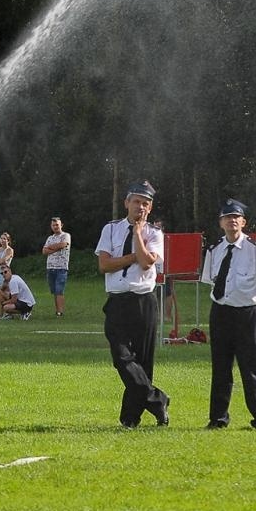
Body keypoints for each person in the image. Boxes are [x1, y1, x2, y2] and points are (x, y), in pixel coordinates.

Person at [95, 181, 169, 428]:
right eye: (136, 201)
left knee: (143, 362)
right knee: (122, 357)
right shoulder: (111, 229)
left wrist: (138, 234)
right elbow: (104, 265)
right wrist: (133, 257)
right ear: (126, 202)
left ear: (150, 207)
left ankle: (130, 418)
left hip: (143, 301)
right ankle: (158, 400)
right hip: (117, 301)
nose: (140, 207)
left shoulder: (155, 234)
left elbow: (148, 264)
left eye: (145, 203)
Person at [201, 199, 256, 430]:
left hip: (247, 314)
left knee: (252, 368)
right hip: (220, 313)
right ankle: (217, 419)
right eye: (227, 217)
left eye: (236, 217)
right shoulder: (214, 251)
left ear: (243, 222)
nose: (232, 220)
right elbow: (211, 282)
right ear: (221, 223)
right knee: (221, 368)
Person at [42, 216, 71, 317]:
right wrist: (55, 248)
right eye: (53, 225)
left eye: (57, 225)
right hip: (50, 267)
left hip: (61, 267)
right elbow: (44, 251)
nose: (55, 227)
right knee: (54, 290)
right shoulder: (50, 238)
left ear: (61, 225)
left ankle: (60, 312)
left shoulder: (66, 235)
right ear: (51, 226)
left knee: (59, 290)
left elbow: (63, 245)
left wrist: (51, 247)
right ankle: (57, 310)